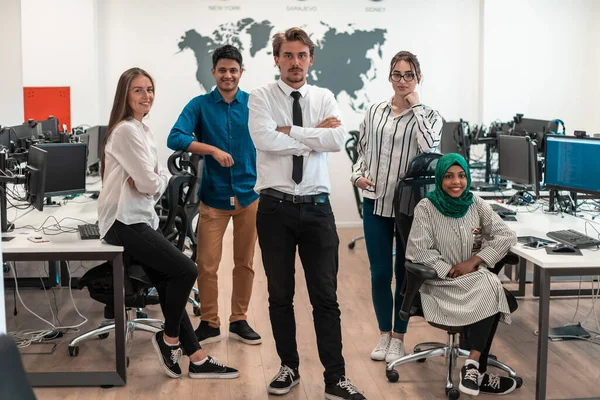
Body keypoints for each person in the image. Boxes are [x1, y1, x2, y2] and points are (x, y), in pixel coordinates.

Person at [98, 67, 239, 380]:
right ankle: (168, 339)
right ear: (125, 94)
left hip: (138, 217)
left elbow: (154, 179)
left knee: (166, 282)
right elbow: (151, 183)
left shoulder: (142, 130)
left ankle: (198, 359)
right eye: (138, 90)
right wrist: (152, 178)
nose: (146, 95)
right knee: (186, 270)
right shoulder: (125, 131)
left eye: (149, 89)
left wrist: (152, 178)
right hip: (123, 220)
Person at [248, 27, 366, 400]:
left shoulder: (324, 96)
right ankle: (288, 368)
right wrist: (312, 133)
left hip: (317, 209)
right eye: (288, 55)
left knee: (325, 298)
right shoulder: (261, 96)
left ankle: (336, 378)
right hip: (275, 208)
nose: (295, 62)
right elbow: (264, 139)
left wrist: (294, 132)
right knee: (280, 295)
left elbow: (335, 140)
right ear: (277, 59)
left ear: (310, 59)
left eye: (301, 55)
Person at [350, 51, 442, 364]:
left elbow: (430, 148)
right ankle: (383, 335)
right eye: (396, 75)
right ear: (390, 77)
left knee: (405, 275)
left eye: (408, 75)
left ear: (418, 78)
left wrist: (416, 106)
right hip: (375, 202)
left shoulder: (428, 115)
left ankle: (399, 338)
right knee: (379, 273)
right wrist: (357, 175)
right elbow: (362, 151)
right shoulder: (374, 111)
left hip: (409, 209)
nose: (402, 81)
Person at [167, 45, 261, 346]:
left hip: (250, 195)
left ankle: (239, 320)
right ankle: (209, 321)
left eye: (233, 70)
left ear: (241, 72)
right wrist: (211, 149)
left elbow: (278, 134)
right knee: (206, 264)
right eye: (222, 70)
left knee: (244, 262)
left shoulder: (255, 104)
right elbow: (175, 137)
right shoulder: (200, 105)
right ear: (214, 73)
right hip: (213, 198)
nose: (228, 75)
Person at [405, 153, 519, 396]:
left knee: (488, 282)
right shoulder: (426, 207)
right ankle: (479, 372)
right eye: (448, 176)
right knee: (492, 287)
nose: (456, 182)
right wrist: (450, 270)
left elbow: (506, 235)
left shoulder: (476, 204)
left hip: (474, 280)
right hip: (440, 283)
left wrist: (476, 260)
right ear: (439, 179)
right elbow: (419, 251)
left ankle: (472, 365)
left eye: (461, 176)